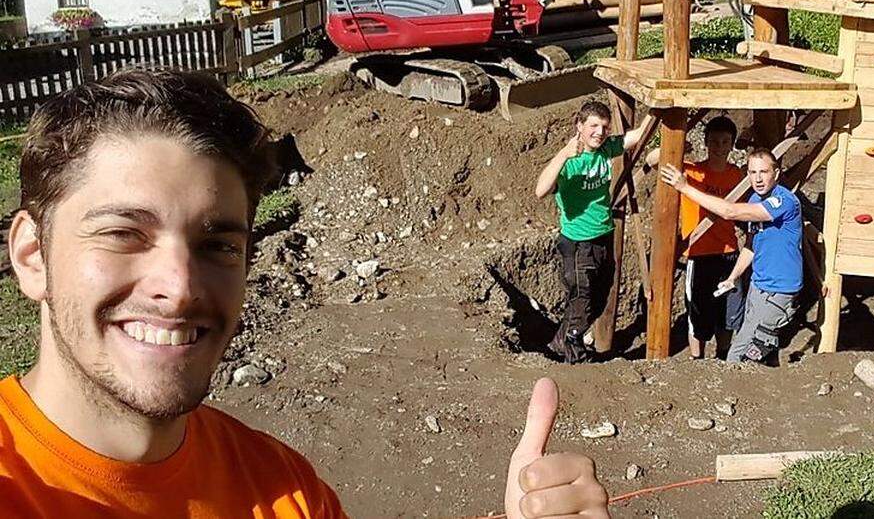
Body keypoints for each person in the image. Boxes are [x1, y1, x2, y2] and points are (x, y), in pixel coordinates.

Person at [0, 70, 609, 518]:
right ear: (31, 255)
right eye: (124, 233)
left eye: (218, 245)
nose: (179, 287)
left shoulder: (288, 494)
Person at [534, 100, 653, 364]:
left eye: (604, 127)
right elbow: (540, 190)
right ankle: (575, 356)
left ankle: (559, 342)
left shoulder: (605, 149)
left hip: (603, 236)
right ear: (580, 126)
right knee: (581, 298)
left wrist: (656, 111)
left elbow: (635, 138)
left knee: (600, 297)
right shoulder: (570, 161)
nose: (599, 132)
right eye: (593, 126)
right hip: (578, 243)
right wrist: (564, 154)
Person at [661, 148, 802, 364]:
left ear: (776, 172)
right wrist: (733, 277)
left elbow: (730, 212)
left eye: (764, 172)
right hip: (759, 286)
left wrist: (685, 187)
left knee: (742, 355)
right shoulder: (755, 198)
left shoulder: (784, 201)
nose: (758, 178)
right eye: (752, 172)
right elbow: (751, 245)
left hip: (779, 290)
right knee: (763, 347)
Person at [647, 117, 745, 360]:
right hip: (698, 253)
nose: (719, 147)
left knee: (726, 311)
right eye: (714, 141)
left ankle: (723, 355)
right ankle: (696, 360)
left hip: (728, 251)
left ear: (732, 144)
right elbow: (651, 160)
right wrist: (675, 147)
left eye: (725, 141)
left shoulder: (739, 176)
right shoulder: (691, 171)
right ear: (706, 142)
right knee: (697, 313)